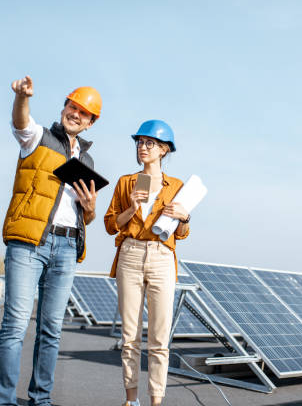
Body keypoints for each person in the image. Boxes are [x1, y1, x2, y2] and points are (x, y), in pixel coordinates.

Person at [0, 75, 102, 406]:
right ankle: (5, 401)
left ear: (91, 121)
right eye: (73, 106)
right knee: (15, 324)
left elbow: (86, 218)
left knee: (51, 330)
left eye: (84, 112)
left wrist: (91, 208)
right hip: (29, 243)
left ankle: (40, 399)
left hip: (67, 248)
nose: (76, 114)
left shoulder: (87, 161)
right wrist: (22, 98)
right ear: (64, 106)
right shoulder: (39, 137)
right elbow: (20, 122)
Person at [104, 120, 190, 406]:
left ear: (164, 149)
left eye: (149, 143)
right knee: (130, 336)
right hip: (130, 254)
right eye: (139, 142)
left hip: (162, 257)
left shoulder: (176, 186)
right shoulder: (126, 182)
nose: (142, 147)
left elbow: (182, 233)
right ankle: (131, 400)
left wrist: (184, 217)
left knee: (159, 338)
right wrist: (131, 208)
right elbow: (110, 225)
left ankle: (156, 402)